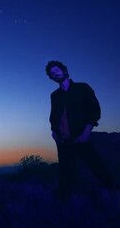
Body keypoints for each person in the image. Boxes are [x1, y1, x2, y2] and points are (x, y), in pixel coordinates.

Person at [46, 60, 112, 200]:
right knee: (65, 173)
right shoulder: (55, 96)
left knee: (97, 167)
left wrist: (87, 131)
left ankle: (116, 193)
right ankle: (64, 204)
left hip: (80, 137)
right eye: (52, 74)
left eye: (56, 70)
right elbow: (53, 116)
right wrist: (53, 132)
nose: (55, 74)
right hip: (63, 141)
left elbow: (94, 110)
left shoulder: (82, 88)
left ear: (64, 70)